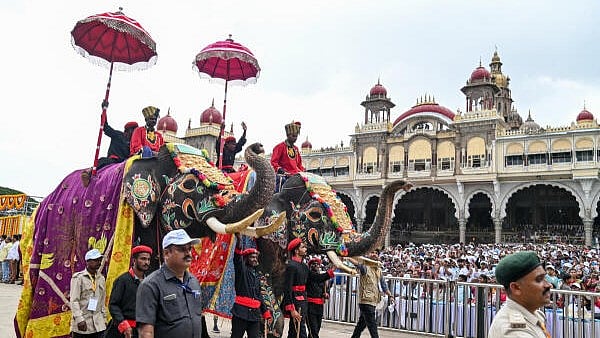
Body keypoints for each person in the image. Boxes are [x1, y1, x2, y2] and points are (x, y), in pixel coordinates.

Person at [136, 229, 203, 338]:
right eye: (182, 249)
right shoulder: (150, 285)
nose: (188, 253)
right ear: (167, 253)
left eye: (189, 248)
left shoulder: (193, 282)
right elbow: (146, 333)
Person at [488, 251, 552, 338]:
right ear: (516, 288)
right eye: (539, 279)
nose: (548, 285)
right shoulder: (513, 331)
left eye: (544, 278)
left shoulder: (534, 313)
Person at [105, 245, 153, 338]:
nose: (146, 262)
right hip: (123, 330)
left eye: (148, 259)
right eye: (143, 259)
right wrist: (123, 324)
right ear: (134, 260)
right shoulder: (122, 280)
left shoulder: (150, 282)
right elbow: (113, 305)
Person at [230, 234, 272, 338]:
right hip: (241, 313)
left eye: (255, 257)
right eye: (252, 257)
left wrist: (265, 312)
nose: (254, 259)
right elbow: (237, 259)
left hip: (254, 315)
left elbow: (259, 295)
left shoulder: (257, 275)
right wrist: (239, 242)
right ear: (246, 259)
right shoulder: (241, 270)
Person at [346, 251, 392, 338]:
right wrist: (348, 257)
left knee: (361, 325)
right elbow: (357, 264)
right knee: (372, 325)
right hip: (365, 300)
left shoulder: (379, 270)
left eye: (376, 253)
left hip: (373, 300)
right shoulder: (365, 268)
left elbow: (383, 285)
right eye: (372, 253)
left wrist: (390, 295)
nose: (374, 254)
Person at [81, 120, 138, 186]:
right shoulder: (118, 135)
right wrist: (104, 115)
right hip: (114, 160)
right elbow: (106, 127)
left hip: (126, 162)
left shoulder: (134, 142)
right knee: (103, 160)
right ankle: (89, 172)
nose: (135, 133)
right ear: (127, 131)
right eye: (133, 130)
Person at [70, 248, 107, 338]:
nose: (98, 262)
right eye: (95, 260)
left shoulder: (101, 278)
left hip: (98, 324)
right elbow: (74, 300)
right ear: (88, 262)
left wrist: (104, 318)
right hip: (84, 322)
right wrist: (79, 319)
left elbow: (102, 300)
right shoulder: (79, 278)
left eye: (99, 260)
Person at [306, 257, 334, 338]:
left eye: (317, 264)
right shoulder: (308, 276)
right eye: (313, 264)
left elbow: (326, 290)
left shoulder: (323, 278)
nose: (316, 265)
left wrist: (326, 294)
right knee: (313, 331)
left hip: (319, 306)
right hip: (310, 306)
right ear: (310, 266)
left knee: (315, 331)